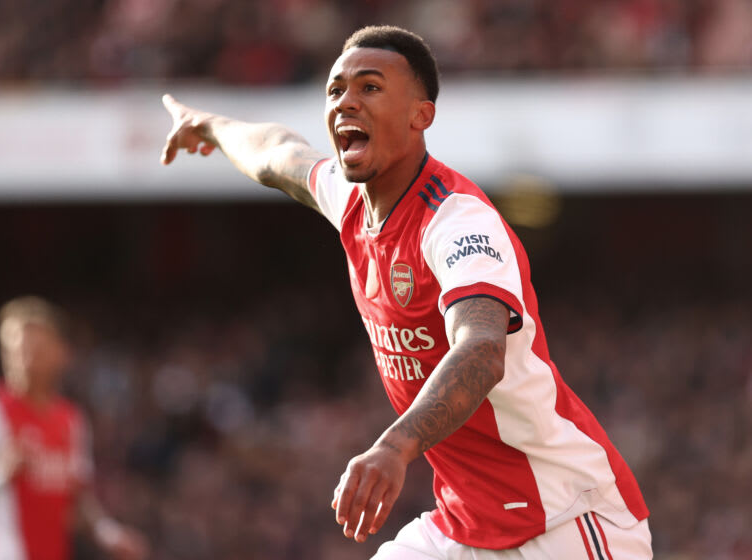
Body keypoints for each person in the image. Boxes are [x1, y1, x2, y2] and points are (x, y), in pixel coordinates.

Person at [160, 25, 652, 559]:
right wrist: (207, 125)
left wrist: (395, 446)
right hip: (466, 524)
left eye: (369, 87)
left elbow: (482, 351)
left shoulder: (458, 221)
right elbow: (277, 155)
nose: (346, 101)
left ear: (421, 115)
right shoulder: (348, 201)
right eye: (335, 90)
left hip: (565, 520)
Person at [0, 296, 148, 560]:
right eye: (12, 349)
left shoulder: (72, 420)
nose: (21, 358)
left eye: (34, 348)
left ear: (61, 353)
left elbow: (76, 499)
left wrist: (109, 534)